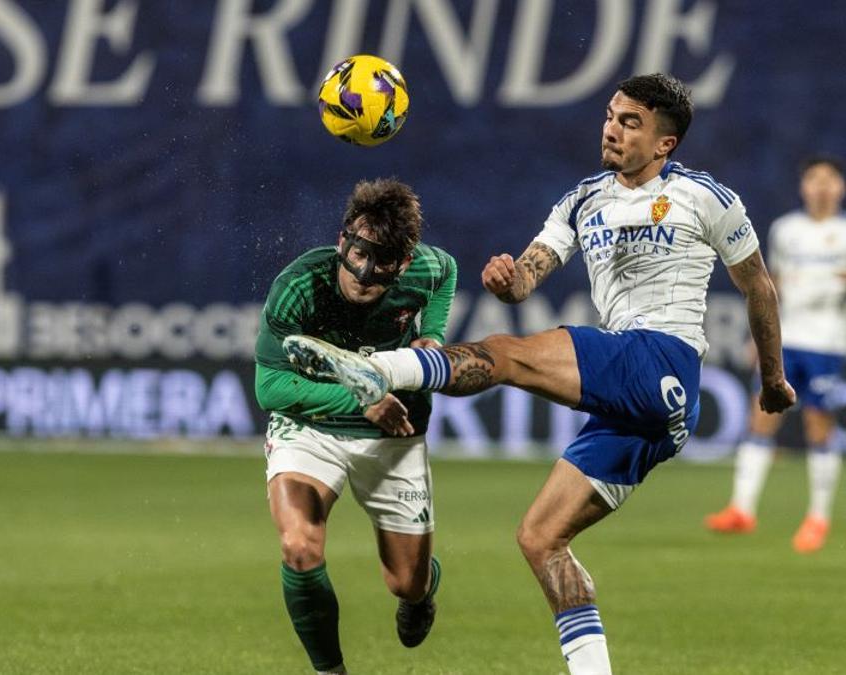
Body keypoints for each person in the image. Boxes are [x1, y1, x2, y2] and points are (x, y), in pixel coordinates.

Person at [281, 74, 796, 674]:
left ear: (666, 143)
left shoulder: (705, 196)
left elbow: (758, 285)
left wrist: (772, 377)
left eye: (630, 122)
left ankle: (378, 370)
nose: (611, 129)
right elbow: (527, 276)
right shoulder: (582, 201)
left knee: (505, 355)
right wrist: (508, 280)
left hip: (663, 356)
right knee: (540, 539)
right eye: (610, 115)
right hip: (644, 412)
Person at [255, 178, 457, 673]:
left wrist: (432, 335)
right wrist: (359, 397)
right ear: (343, 240)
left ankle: (420, 593)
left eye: (381, 261)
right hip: (311, 427)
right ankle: (331, 670)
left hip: (394, 434)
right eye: (359, 253)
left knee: (406, 582)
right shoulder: (300, 284)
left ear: (403, 263)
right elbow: (269, 388)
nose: (363, 273)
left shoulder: (424, 268)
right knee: (299, 546)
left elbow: (446, 270)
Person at [704, 155, 846, 553]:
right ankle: (741, 509)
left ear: (840, 187)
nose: (821, 186)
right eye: (814, 179)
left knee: (818, 425)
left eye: (829, 179)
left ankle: (818, 517)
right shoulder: (786, 230)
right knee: (761, 418)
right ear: (803, 186)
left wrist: (838, 275)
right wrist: (758, 336)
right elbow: (773, 284)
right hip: (785, 338)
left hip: (826, 342)